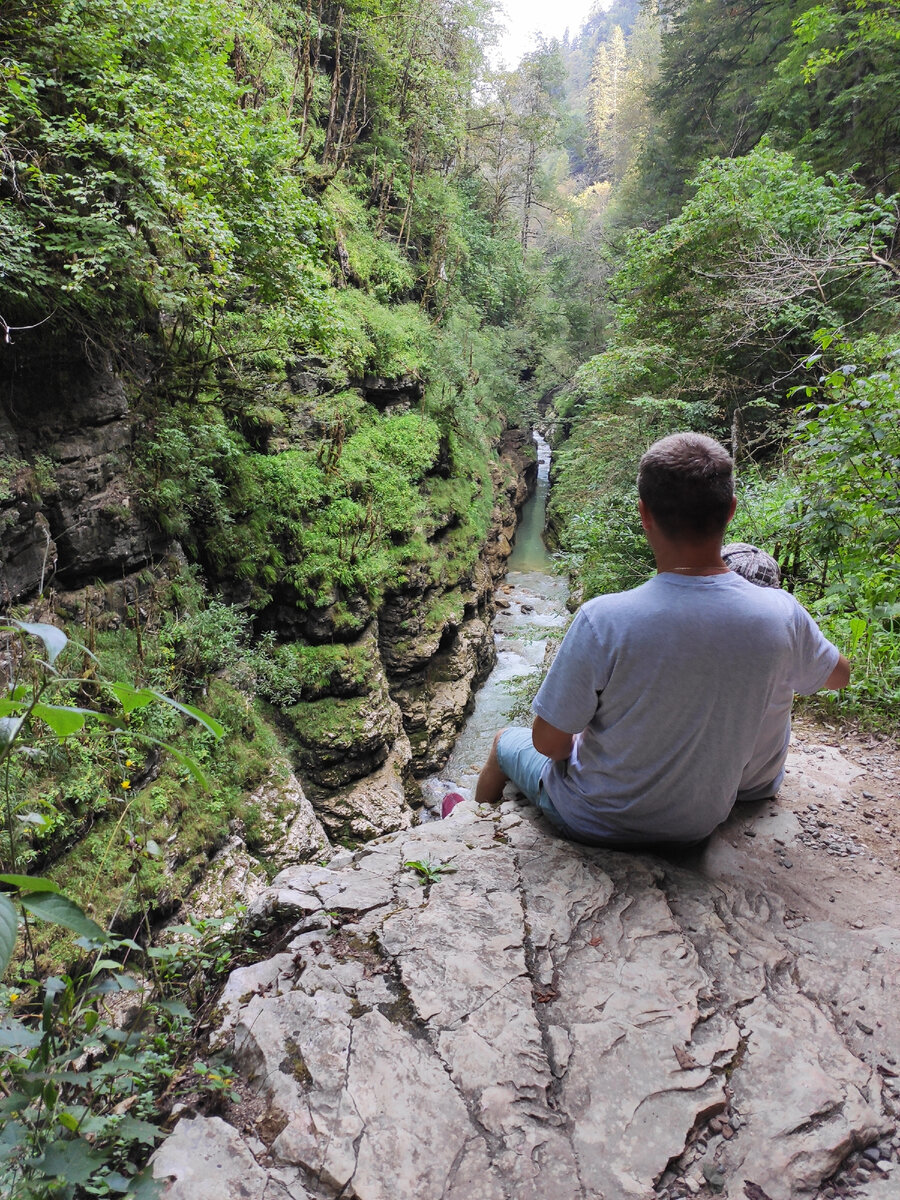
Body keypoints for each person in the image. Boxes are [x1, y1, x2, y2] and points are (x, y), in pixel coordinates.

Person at [474, 432, 850, 847]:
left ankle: (473, 834)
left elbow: (549, 743)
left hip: (592, 819)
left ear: (644, 514)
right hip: (697, 823)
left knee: (502, 741)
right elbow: (838, 676)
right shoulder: (781, 612)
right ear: (730, 511)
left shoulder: (605, 618)